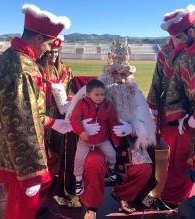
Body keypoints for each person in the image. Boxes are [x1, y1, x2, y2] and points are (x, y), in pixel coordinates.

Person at [0, 4, 71, 219]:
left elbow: (25, 109)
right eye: (47, 43)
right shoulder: (23, 67)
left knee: (19, 201)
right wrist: (31, 172)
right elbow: (22, 122)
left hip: (9, 146)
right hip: (21, 155)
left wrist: (52, 123)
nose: (47, 50)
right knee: (21, 207)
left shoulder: (8, 56)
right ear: (37, 39)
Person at [66, 40, 157, 218]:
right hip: (98, 138)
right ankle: (91, 204)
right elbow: (72, 116)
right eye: (115, 72)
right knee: (93, 163)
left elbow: (147, 122)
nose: (119, 77)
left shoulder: (134, 91)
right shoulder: (94, 89)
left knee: (144, 168)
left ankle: (122, 194)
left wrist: (132, 128)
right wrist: (85, 125)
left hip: (128, 139)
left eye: (123, 72)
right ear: (108, 71)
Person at [164, 4, 195, 207]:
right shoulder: (184, 55)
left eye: (179, 37)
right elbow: (175, 88)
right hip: (190, 119)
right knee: (181, 161)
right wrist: (180, 116)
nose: (176, 42)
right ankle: (175, 199)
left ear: (191, 31)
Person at [146, 12, 186, 209]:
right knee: (172, 153)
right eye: (174, 36)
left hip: (191, 115)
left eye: (179, 35)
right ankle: (166, 192)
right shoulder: (164, 52)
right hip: (168, 112)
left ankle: (173, 196)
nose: (176, 40)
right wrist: (152, 107)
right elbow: (157, 80)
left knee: (184, 157)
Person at [71, 79, 119, 195]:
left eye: (102, 94)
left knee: (112, 154)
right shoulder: (81, 104)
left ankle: (112, 168)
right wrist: (81, 132)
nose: (100, 97)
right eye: (96, 94)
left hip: (103, 140)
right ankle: (78, 179)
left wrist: (116, 141)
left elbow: (112, 123)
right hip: (85, 140)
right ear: (88, 94)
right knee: (79, 159)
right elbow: (75, 119)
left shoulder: (107, 106)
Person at [37, 35, 73, 177]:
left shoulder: (64, 69)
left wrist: (69, 98)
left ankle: (57, 172)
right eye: (50, 52)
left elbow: (71, 87)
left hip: (61, 112)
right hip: (44, 112)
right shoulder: (38, 69)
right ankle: (45, 173)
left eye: (56, 52)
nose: (53, 55)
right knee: (44, 144)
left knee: (60, 142)